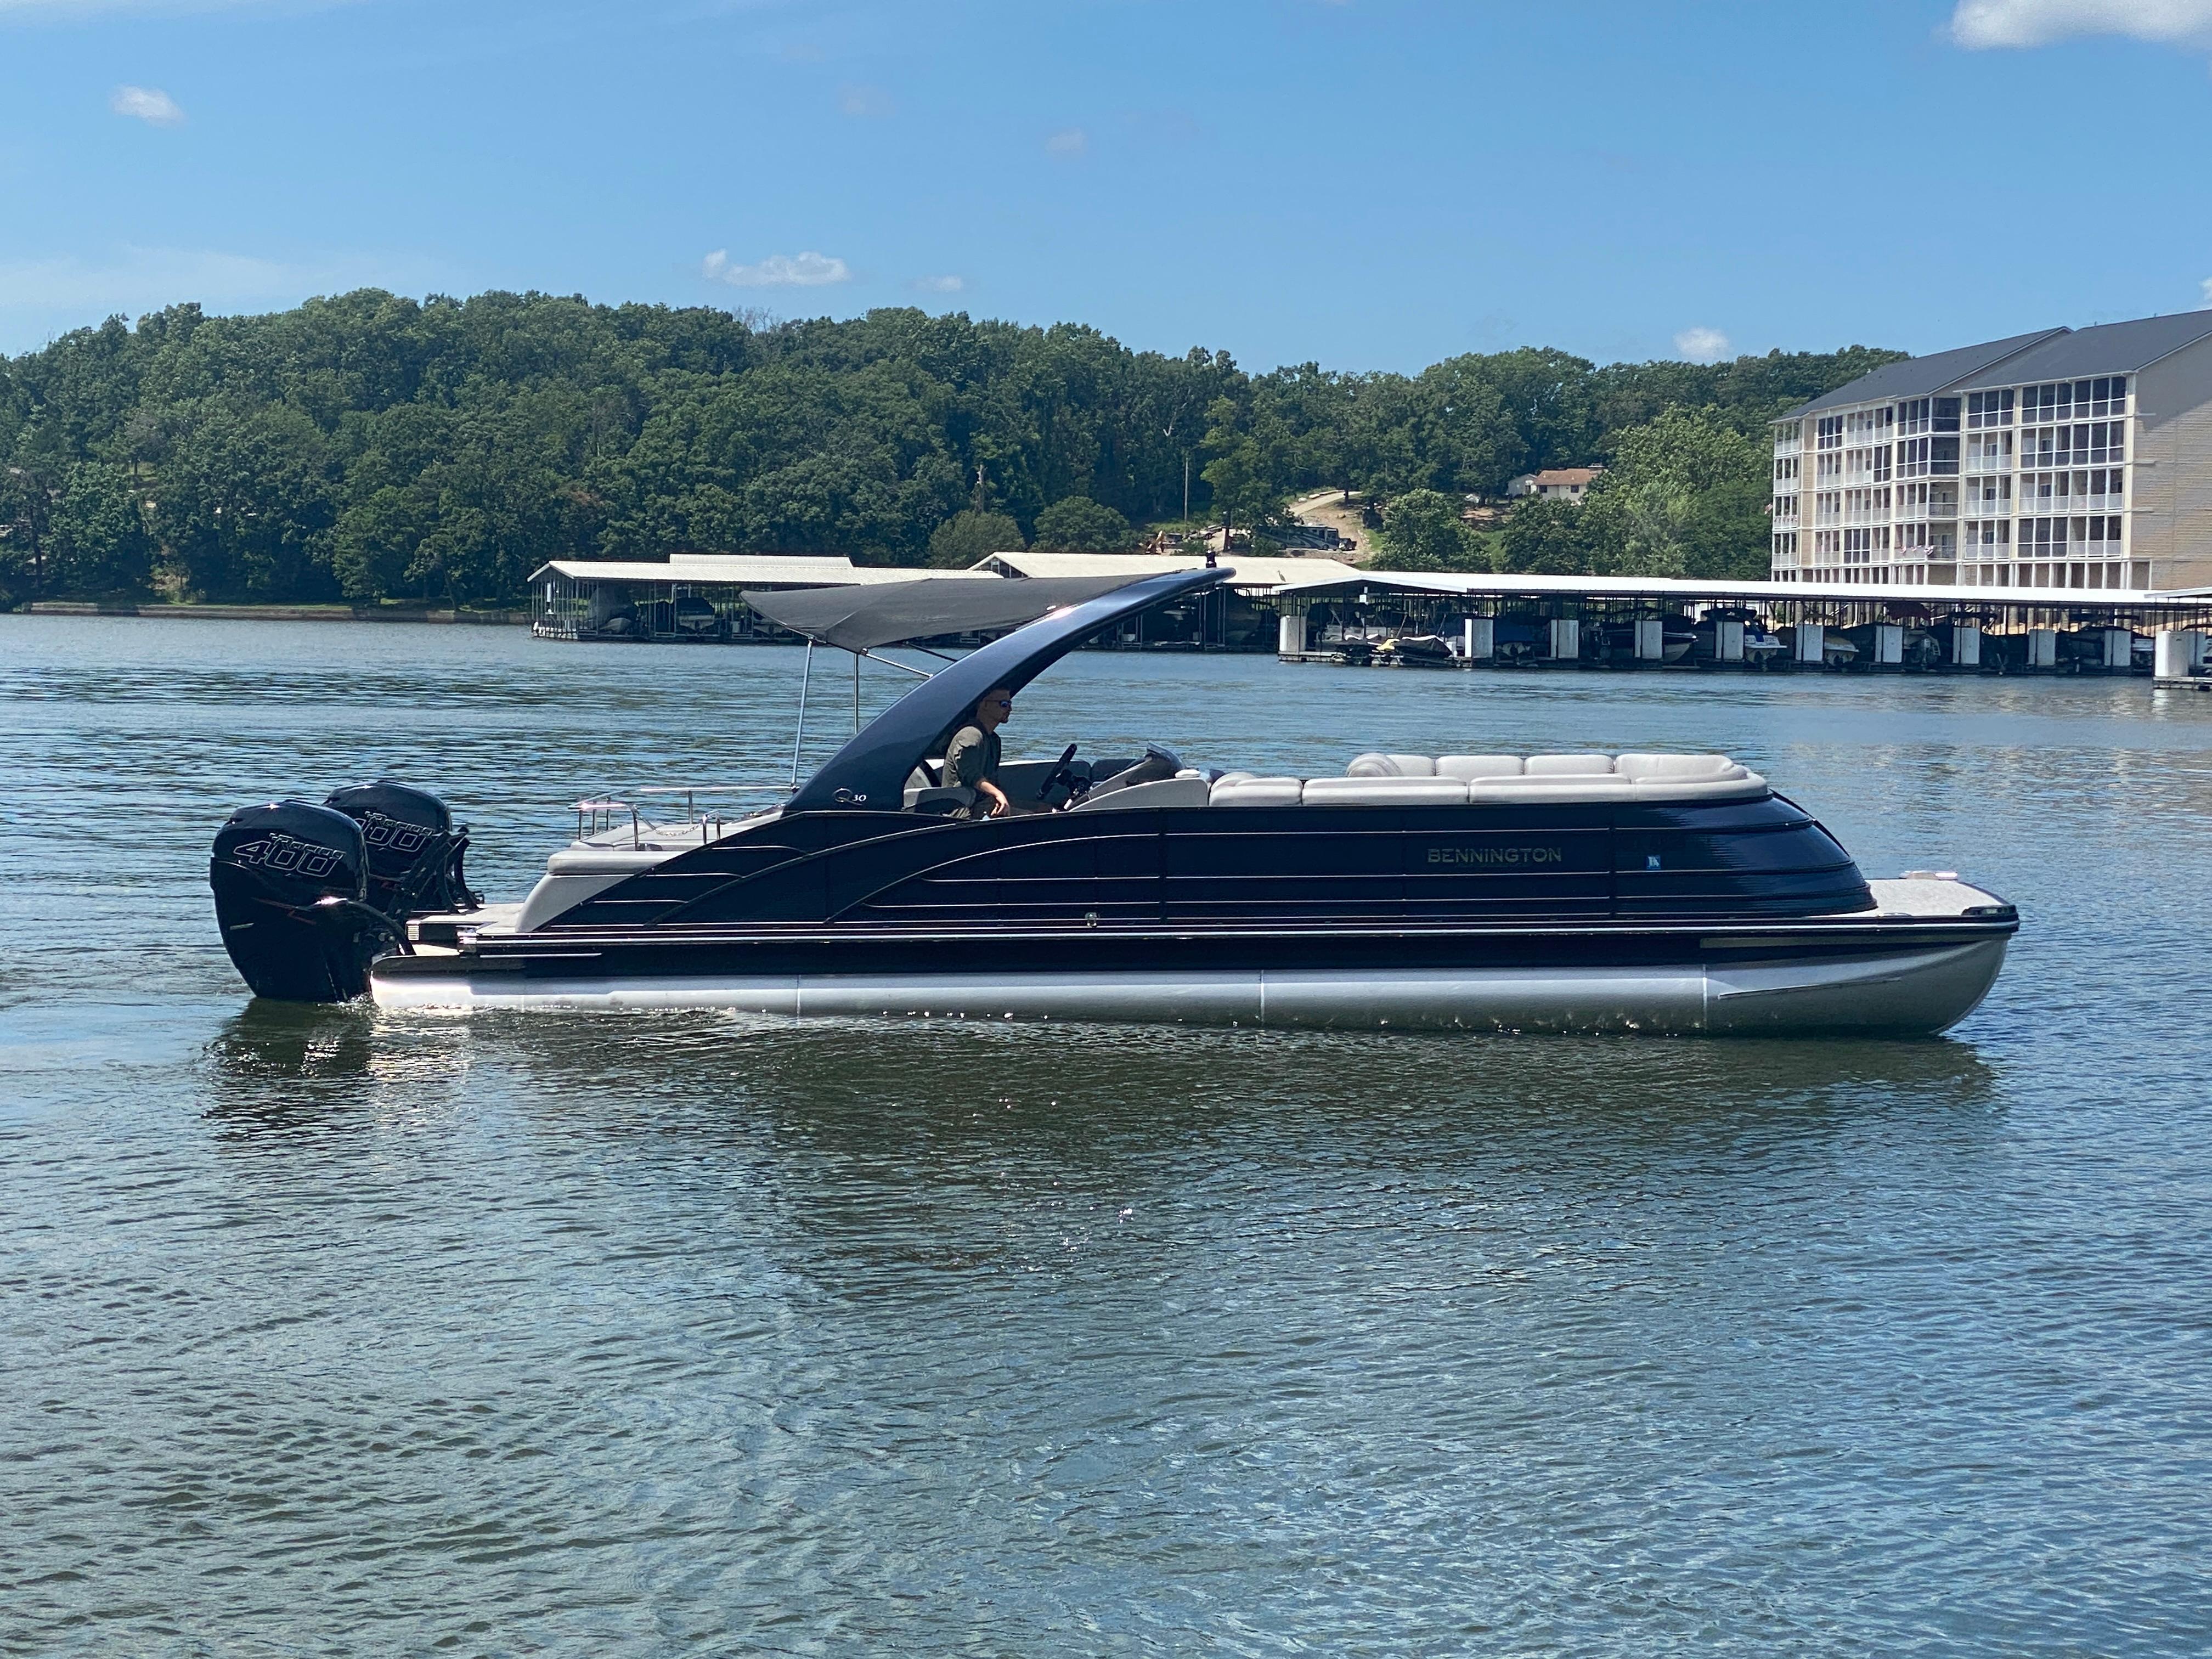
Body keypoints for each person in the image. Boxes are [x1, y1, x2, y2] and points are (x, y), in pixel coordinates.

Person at [941, 686, 1015, 817]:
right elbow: (970, 775)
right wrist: (998, 794)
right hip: (964, 809)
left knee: (1044, 809)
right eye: (1004, 704)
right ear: (985, 705)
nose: (1010, 709)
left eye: (1010, 704)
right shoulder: (970, 735)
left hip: (985, 803)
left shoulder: (994, 740)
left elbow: (992, 779)